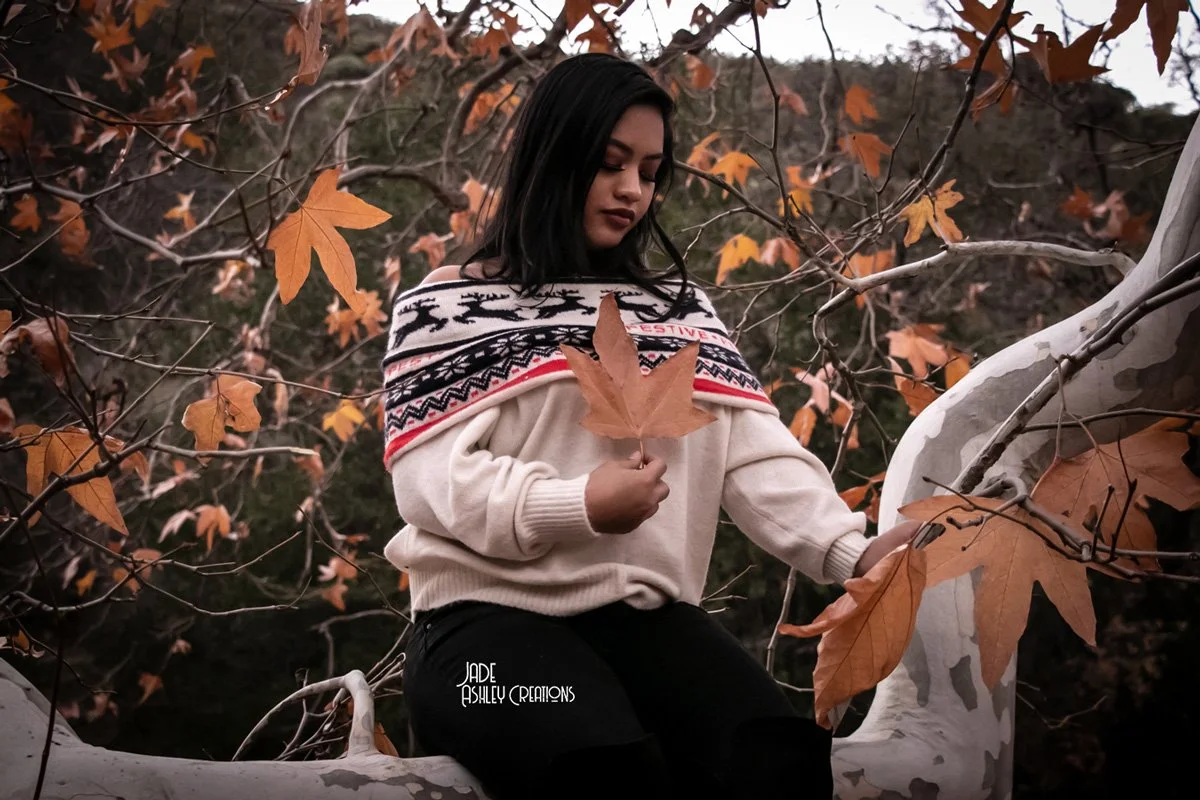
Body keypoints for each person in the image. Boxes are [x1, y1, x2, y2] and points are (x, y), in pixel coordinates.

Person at [380, 53, 920, 800]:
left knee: (777, 760)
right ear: (552, 157)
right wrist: (577, 505)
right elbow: (430, 486)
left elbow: (756, 458)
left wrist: (852, 552)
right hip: (480, 639)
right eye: (609, 164)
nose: (632, 190)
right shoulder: (444, 308)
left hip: (645, 624)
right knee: (605, 771)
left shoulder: (679, 313)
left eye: (650, 170)